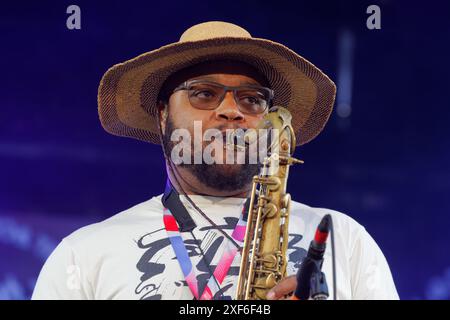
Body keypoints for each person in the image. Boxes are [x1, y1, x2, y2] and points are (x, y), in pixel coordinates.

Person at [32, 21, 398, 300]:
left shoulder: (343, 240)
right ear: (163, 115)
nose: (230, 111)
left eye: (251, 99)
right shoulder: (83, 254)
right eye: (204, 94)